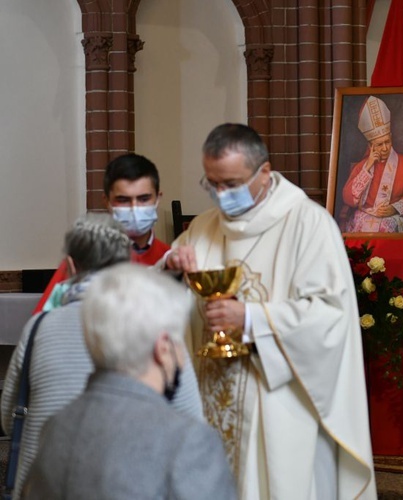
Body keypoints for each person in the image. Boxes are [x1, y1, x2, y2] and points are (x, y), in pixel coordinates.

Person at [163, 123, 376, 499]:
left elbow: (330, 318)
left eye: (231, 183)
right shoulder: (204, 226)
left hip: (276, 407)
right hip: (209, 398)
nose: (220, 194)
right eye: (211, 184)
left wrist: (249, 319)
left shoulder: (308, 224)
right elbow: (153, 296)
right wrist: (171, 268)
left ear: (264, 171)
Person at [0, 214, 203, 500]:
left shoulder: (38, 328)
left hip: (44, 485)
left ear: (70, 266)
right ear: (127, 266)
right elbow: (191, 418)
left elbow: (10, 418)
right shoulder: (158, 328)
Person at [23, 263, 236, 500]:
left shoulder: (56, 426)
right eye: (179, 343)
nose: (183, 361)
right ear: (163, 348)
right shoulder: (188, 442)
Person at [33, 153, 170, 312]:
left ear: (158, 198)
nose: (134, 208)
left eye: (144, 199)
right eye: (123, 200)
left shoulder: (169, 258)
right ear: (107, 201)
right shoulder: (84, 258)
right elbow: (42, 320)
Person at [339, 95, 403, 233]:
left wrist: (394, 208)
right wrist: (368, 165)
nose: (384, 148)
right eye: (379, 144)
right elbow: (348, 198)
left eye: (387, 142)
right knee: (364, 227)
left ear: (391, 138)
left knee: (384, 227)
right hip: (366, 214)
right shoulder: (363, 166)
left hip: (394, 216)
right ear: (370, 146)